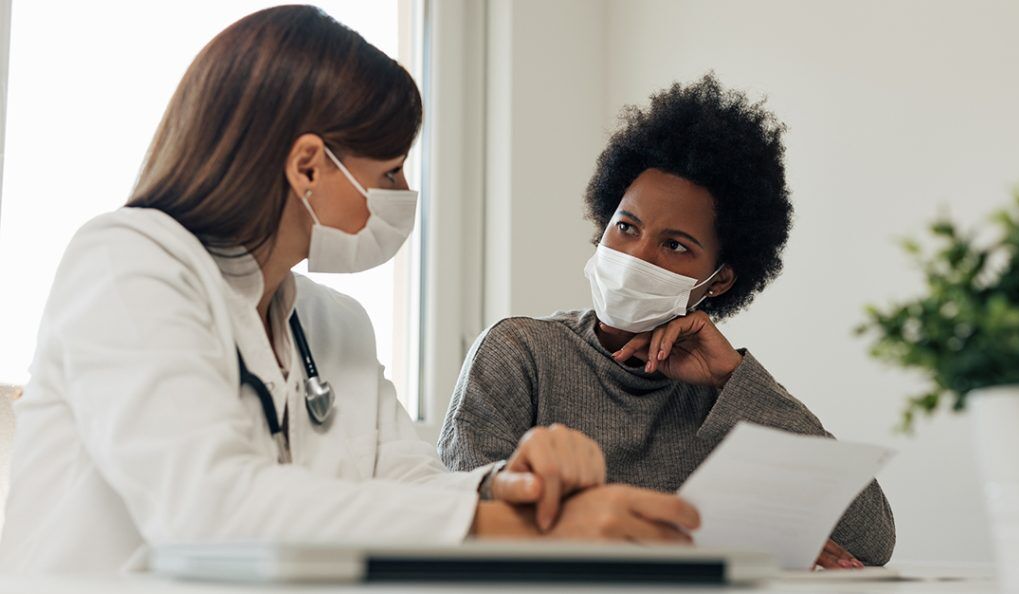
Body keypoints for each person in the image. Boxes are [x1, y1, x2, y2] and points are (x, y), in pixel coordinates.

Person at [0, 6, 699, 573]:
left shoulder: (333, 324)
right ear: (309, 165)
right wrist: (529, 533)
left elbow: (411, 484)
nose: (402, 195)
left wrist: (509, 487)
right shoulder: (127, 263)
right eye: (391, 171)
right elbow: (208, 508)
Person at [439, 75, 896, 568]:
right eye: (626, 227)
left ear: (718, 281)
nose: (637, 254)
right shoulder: (520, 352)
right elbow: (459, 521)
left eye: (675, 245)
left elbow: (871, 542)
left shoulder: (725, 394)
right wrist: (682, 546)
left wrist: (734, 381)